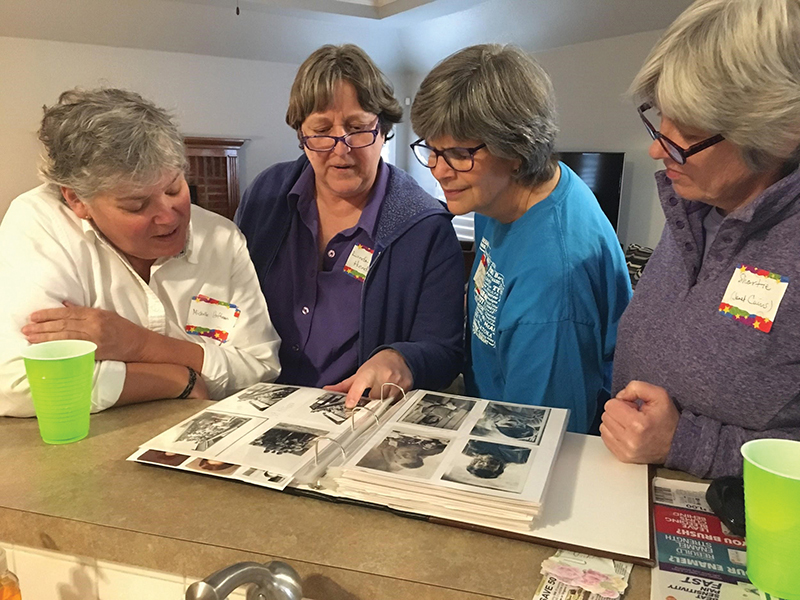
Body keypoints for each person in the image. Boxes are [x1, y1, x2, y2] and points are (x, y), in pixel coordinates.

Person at [600, 0, 800, 478]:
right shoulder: (694, 207)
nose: (656, 147)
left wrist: (687, 441)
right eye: (661, 118)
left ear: (779, 133)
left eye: (685, 132)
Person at [0, 88, 281, 417]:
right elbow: (16, 382)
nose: (169, 215)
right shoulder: (41, 222)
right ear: (77, 201)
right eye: (136, 205)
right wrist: (176, 379)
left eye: (174, 188)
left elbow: (259, 370)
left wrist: (140, 345)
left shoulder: (220, 238)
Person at [410, 45, 631, 433]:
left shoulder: (552, 283)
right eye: (432, 148)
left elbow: (541, 438)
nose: (437, 170)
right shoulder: (500, 194)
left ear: (516, 148)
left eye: (459, 152)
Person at [235, 44, 464, 408]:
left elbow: (445, 351)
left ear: (384, 129)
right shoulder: (266, 197)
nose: (341, 149)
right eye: (321, 130)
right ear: (301, 136)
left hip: (354, 418)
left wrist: (402, 361)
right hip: (255, 405)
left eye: (358, 129)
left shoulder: (425, 227)